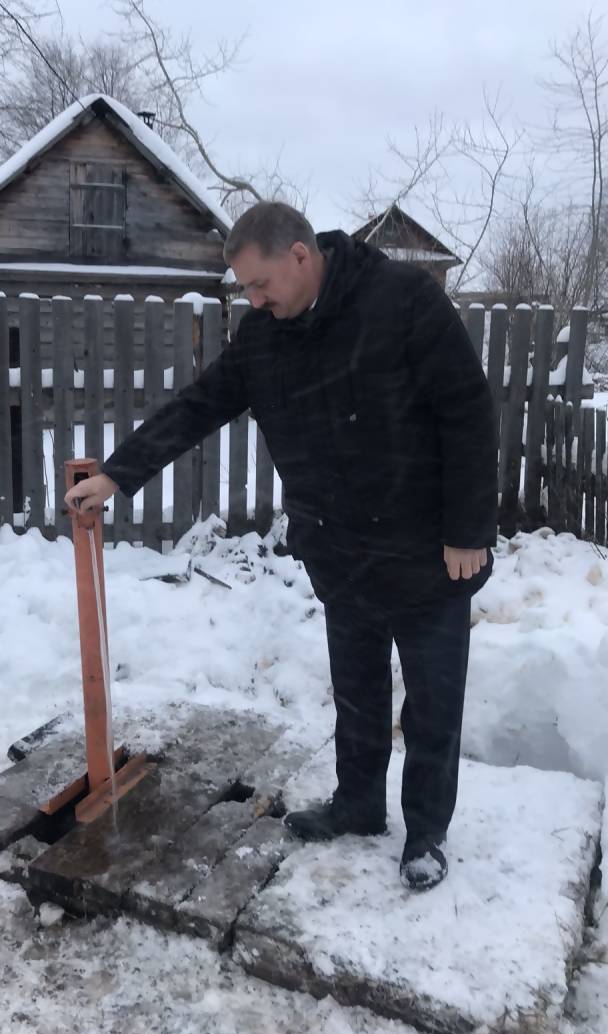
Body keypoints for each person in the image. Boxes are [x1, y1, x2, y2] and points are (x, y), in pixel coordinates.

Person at [65, 201, 497, 892]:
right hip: (338, 548)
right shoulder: (265, 336)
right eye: (246, 289)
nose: (254, 300)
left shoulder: (401, 300)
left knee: (431, 704)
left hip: (426, 549)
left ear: (301, 254)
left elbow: (467, 412)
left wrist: (468, 530)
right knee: (355, 692)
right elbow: (202, 403)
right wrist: (120, 473)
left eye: (260, 284)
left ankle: (426, 833)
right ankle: (358, 805)